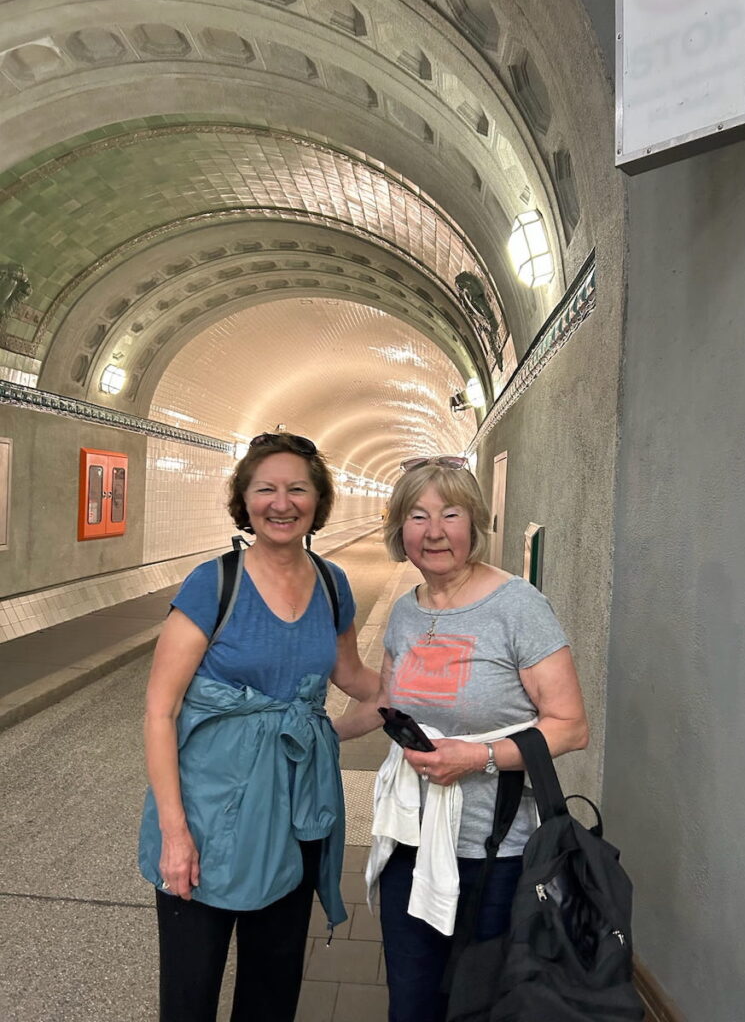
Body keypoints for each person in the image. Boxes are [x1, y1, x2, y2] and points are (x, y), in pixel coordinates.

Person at [334, 455, 589, 1022]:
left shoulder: (518, 606)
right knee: (411, 1001)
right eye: (417, 516)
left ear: (473, 522)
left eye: (449, 514)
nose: (434, 531)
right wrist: (322, 733)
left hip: (495, 853)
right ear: (400, 529)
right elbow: (387, 702)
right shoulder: (406, 611)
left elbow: (570, 725)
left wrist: (479, 757)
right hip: (410, 841)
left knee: (479, 1004)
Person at [138, 431, 379, 1022]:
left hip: (296, 810)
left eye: (298, 489)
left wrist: (436, 680)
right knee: (190, 994)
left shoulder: (332, 584)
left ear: (318, 501)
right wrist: (175, 834)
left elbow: (353, 676)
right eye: (266, 489)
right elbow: (160, 712)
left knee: (273, 988)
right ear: (244, 500)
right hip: (210, 815)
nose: (282, 503)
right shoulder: (213, 583)